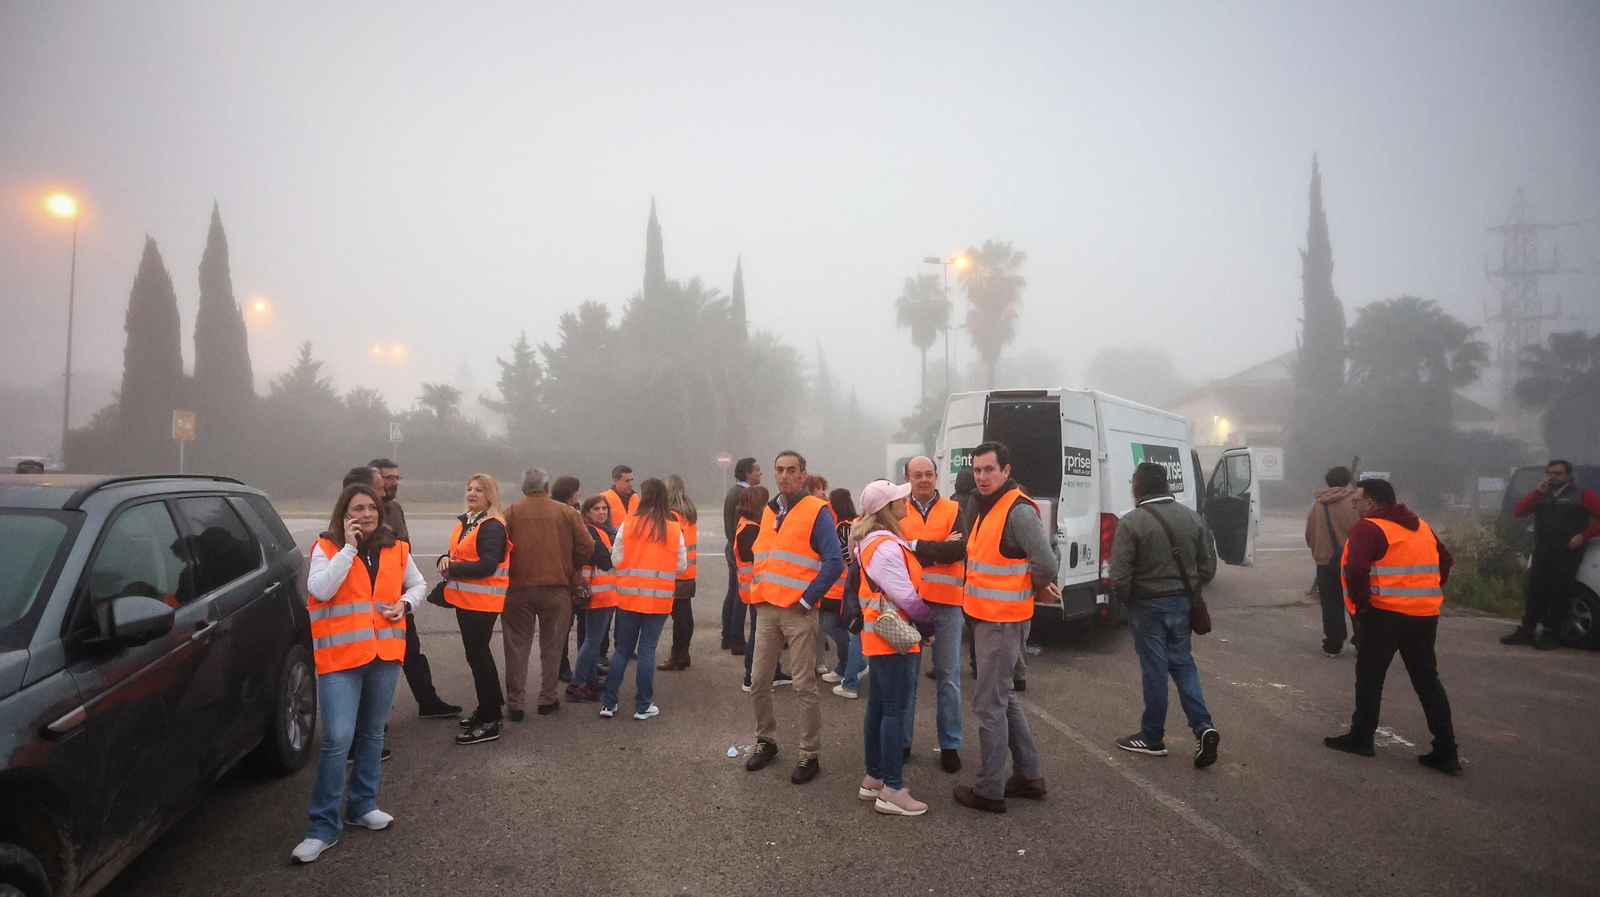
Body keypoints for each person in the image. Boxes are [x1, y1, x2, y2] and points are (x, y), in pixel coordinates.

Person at [294, 483, 425, 863]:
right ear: (344, 513)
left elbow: (418, 584)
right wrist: (349, 548)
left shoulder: (396, 548)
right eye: (357, 509)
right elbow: (320, 588)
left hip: (383, 655)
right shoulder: (328, 547)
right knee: (337, 739)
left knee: (371, 732)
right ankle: (322, 826)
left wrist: (406, 603)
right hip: (340, 660)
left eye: (371, 508)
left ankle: (361, 805)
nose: (366, 514)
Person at [1325, 478, 1460, 773]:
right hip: (1424, 616)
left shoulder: (1369, 527)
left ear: (1370, 503)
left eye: (1356, 500)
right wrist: (1426, 591)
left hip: (1384, 615)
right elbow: (1445, 560)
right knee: (1427, 681)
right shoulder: (1421, 525)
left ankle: (1361, 738)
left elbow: (1356, 568)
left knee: (1370, 678)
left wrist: (1362, 609)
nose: (1354, 504)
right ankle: (1446, 750)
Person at [951, 442, 1057, 814]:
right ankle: (1029, 776)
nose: (981, 477)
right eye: (977, 470)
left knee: (988, 706)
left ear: (1005, 470)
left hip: (1001, 621)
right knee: (1004, 697)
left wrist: (1034, 586)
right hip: (987, 618)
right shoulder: (986, 507)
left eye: (989, 470)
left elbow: (1045, 562)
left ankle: (990, 789)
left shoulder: (1017, 509)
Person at [1109, 462, 1222, 768]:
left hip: (1147, 606)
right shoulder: (1192, 518)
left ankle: (1152, 737)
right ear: (1167, 486)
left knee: (1155, 671)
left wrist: (1128, 601)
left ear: (1136, 488)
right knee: (1184, 665)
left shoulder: (1131, 523)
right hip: (1183, 603)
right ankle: (1204, 727)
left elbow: (1119, 576)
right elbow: (1209, 567)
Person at [745, 450, 843, 786]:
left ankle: (809, 752)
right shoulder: (771, 509)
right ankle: (766, 740)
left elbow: (834, 562)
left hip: (798, 612)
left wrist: (807, 598)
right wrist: (756, 598)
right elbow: (763, 557)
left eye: (791, 470)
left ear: (803, 475)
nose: (784, 476)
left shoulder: (816, 511)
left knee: (803, 685)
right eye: (779, 470)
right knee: (759, 680)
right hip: (767, 608)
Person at [853, 480, 936, 816]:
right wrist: (928, 626)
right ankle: (892, 789)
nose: (907, 500)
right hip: (894, 637)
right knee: (895, 711)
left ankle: (874, 778)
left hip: (878, 636)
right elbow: (906, 596)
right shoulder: (886, 547)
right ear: (888, 508)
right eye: (901, 498)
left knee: (879, 708)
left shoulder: (870, 542)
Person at [369, 458, 459, 720]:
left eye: (397, 478)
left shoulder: (395, 508)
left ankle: (428, 702)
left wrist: (407, 591)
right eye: (388, 478)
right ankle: (371, 725)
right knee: (376, 664)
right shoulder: (362, 512)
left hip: (400, 597)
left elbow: (403, 549)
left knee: (412, 651)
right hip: (373, 603)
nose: (393, 483)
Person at [501, 468, 593, 719]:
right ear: (546, 486)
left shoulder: (510, 513)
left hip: (517, 589)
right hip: (556, 588)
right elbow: (587, 545)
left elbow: (498, 549)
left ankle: (516, 703)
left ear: (523, 489)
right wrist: (570, 566)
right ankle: (547, 698)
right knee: (552, 646)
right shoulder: (566, 512)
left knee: (516, 647)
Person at [899, 455, 969, 773]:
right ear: (907, 478)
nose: (924, 479)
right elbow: (895, 551)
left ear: (937, 477)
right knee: (908, 678)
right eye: (917, 475)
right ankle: (902, 742)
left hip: (947, 604)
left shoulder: (954, 510)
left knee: (949, 679)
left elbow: (958, 550)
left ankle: (950, 745)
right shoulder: (897, 510)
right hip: (909, 604)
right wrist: (934, 546)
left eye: (929, 474)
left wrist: (915, 547)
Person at [601, 477, 685, 720]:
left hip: (628, 596)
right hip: (658, 599)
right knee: (647, 651)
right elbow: (680, 565)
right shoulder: (672, 526)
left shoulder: (629, 523)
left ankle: (609, 704)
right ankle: (643, 705)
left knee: (622, 651)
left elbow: (615, 560)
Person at [439, 474, 512, 745]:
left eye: (479, 490)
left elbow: (487, 565)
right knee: (477, 657)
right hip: (467, 601)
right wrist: (444, 559)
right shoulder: (469, 522)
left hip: (481, 604)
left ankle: (491, 717)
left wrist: (452, 568)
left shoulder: (492, 525)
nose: (472, 493)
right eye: (469, 488)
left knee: (479, 657)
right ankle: (488, 708)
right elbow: (455, 554)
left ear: (490, 496)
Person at [1503, 459, 1600, 650]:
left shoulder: (1583, 494)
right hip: (1543, 548)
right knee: (1536, 590)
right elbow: (1519, 511)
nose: (1553, 477)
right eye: (1550, 473)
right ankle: (1527, 629)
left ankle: (1551, 633)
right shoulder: (1542, 495)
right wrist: (1538, 492)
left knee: (1559, 591)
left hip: (1568, 550)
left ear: (1569, 476)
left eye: (1558, 473)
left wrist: (1583, 536)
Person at [734, 485, 792, 692]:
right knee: (759, 635)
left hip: (759, 587)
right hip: (757, 588)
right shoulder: (750, 528)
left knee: (769, 634)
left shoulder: (749, 525)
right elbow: (759, 556)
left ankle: (774, 671)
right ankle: (750, 677)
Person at [1305, 465, 1361, 656]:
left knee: (1330, 604)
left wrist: (1319, 550)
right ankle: (1362, 640)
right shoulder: (1354, 503)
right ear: (1347, 481)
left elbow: (1309, 534)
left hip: (1324, 562)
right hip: (1352, 561)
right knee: (1357, 601)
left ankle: (1333, 643)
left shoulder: (1316, 505)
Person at [568, 494, 617, 701]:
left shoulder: (604, 531)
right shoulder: (590, 531)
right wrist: (613, 552)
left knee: (593, 639)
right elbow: (605, 560)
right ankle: (577, 684)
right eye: (596, 508)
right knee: (593, 639)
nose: (601, 512)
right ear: (587, 512)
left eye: (604, 508)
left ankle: (590, 679)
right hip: (598, 593)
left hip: (602, 592)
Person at [820, 488, 864, 700]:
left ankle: (854, 665)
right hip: (835, 588)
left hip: (840, 588)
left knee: (831, 625)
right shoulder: (843, 525)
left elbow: (848, 558)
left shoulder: (845, 526)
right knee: (834, 625)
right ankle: (845, 665)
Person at [658, 474, 700, 671]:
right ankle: (683, 652)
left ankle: (678, 655)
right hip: (689, 571)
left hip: (675, 572)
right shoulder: (688, 512)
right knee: (685, 616)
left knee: (679, 618)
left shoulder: (672, 515)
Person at [722, 457, 762, 654]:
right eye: (757, 469)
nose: (760, 472)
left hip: (733, 547)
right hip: (740, 550)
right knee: (741, 595)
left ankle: (728, 636)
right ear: (748, 472)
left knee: (734, 593)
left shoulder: (734, 491)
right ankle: (736, 639)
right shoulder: (744, 495)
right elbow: (741, 529)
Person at [549, 474, 583, 681]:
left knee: (570, 624)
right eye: (578, 490)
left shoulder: (573, 510)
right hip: (565, 575)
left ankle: (578, 665)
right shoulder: (564, 512)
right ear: (571, 493)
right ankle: (561, 667)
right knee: (562, 625)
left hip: (568, 574)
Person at [602, 465, 638, 529]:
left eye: (631, 480)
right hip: (613, 537)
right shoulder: (603, 499)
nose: (630, 484)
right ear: (615, 481)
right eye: (627, 481)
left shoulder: (636, 498)